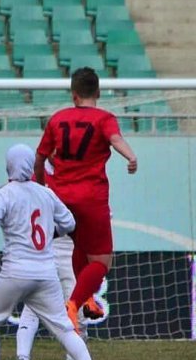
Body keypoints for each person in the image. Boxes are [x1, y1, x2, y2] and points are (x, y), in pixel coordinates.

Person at [0, 144, 106, 360]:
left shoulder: (3, 194)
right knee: (64, 328)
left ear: (9, 165)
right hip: (45, 271)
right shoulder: (45, 193)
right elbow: (70, 223)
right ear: (31, 166)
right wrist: (52, 233)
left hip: (16, 270)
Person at [34, 67, 138, 331]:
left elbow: (40, 157)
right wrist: (131, 156)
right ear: (98, 93)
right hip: (91, 197)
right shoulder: (104, 118)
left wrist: (40, 187)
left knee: (79, 247)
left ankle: (88, 299)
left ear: (74, 94)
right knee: (102, 261)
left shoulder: (57, 119)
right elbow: (116, 140)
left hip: (61, 197)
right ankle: (74, 303)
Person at [8, 160, 87, 360]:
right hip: (43, 247)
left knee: (76, 306)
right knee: (33, 303)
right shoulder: (35, 176)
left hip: (72, 246)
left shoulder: (79, 173)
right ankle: (22, 357)